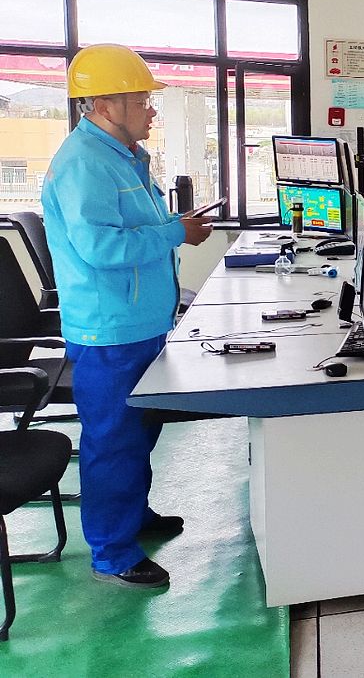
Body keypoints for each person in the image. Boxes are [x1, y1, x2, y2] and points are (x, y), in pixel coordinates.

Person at [42, 44, 213, 589]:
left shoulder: (123, 157)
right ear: (105, 105)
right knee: (113, 441)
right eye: (141, 100)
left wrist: (174, 226)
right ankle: (113, 552)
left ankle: (133, 516)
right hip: (109, 330)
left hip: (140, 321)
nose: (151, 109)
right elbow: (100, 248)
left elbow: (135, 229)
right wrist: (175, 232)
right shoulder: (84, 164)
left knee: (140, 430)